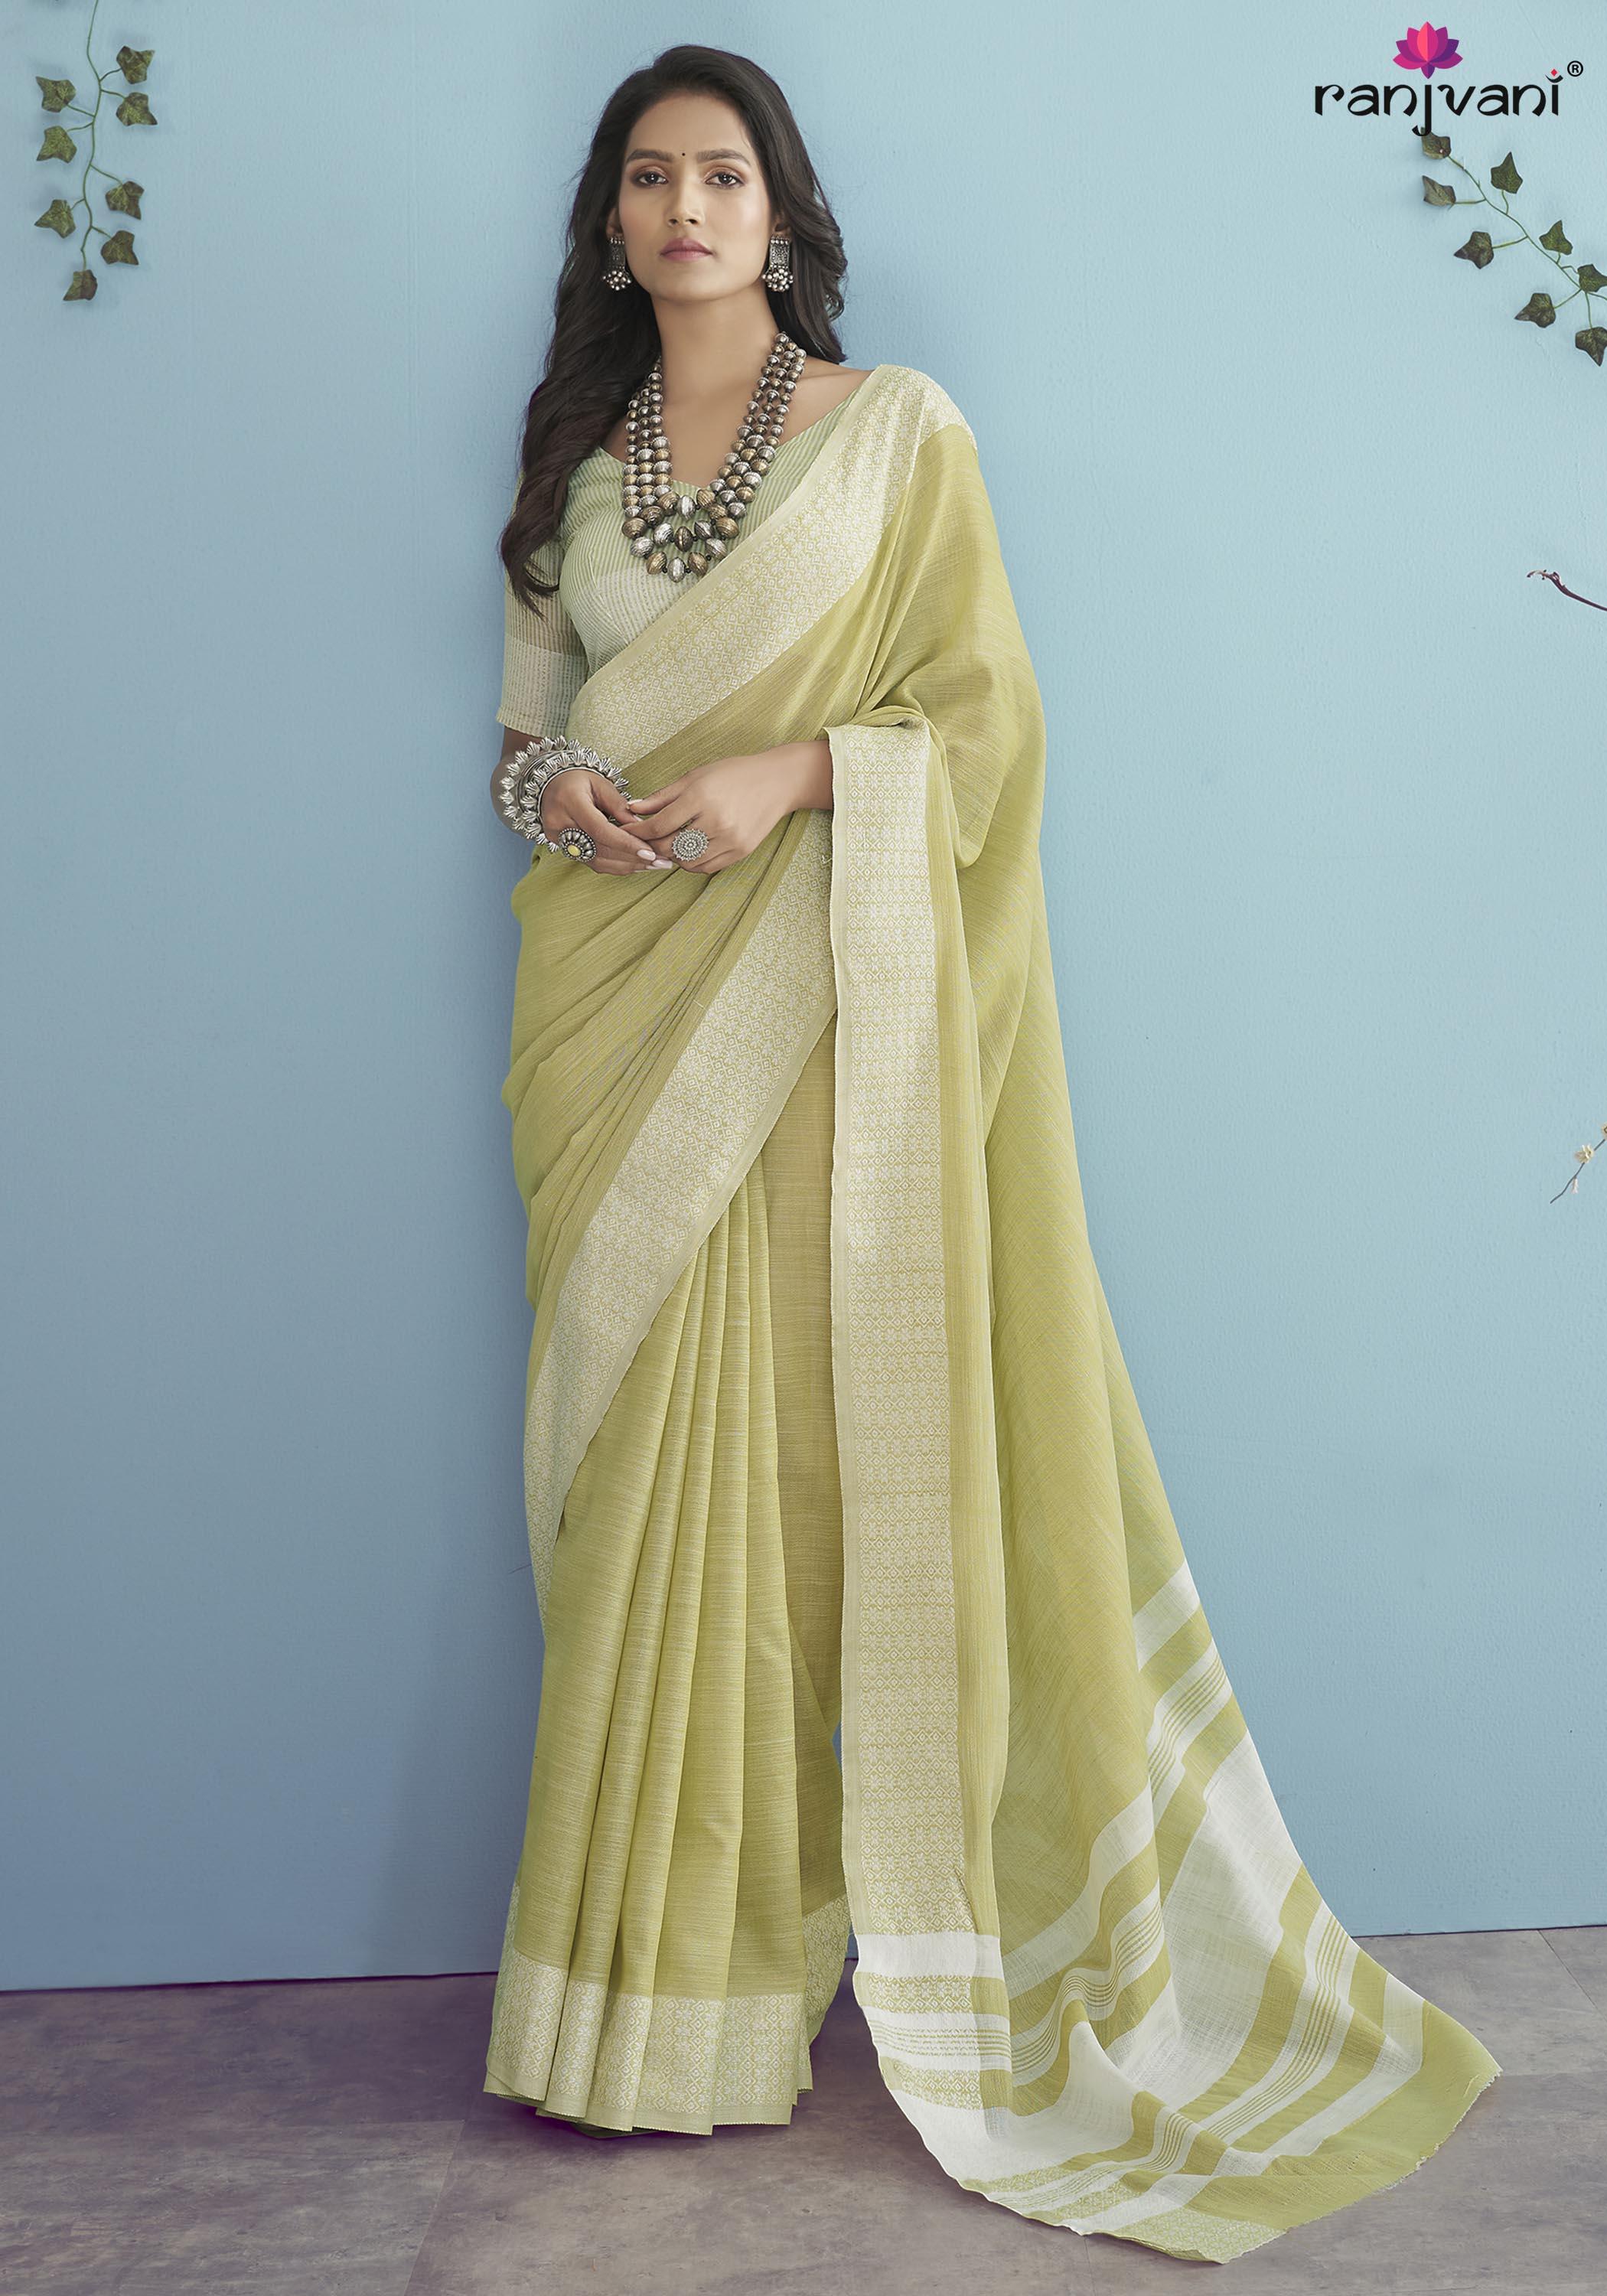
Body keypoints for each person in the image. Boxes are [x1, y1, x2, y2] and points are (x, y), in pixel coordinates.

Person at [479, 41, 1500, 2265]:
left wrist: (787, 778)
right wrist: (560, 795)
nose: (683, 209)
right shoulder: (573, 459)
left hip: (814, 1006)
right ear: (612, 224)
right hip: (611, 1016)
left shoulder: (893, 435)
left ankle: (751, 1980)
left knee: (785, 1480)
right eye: (647, 177)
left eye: (720, 174)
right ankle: (643, 2002)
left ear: (780, 210)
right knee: (645, 1472)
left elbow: (984, 718)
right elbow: (517, 728)